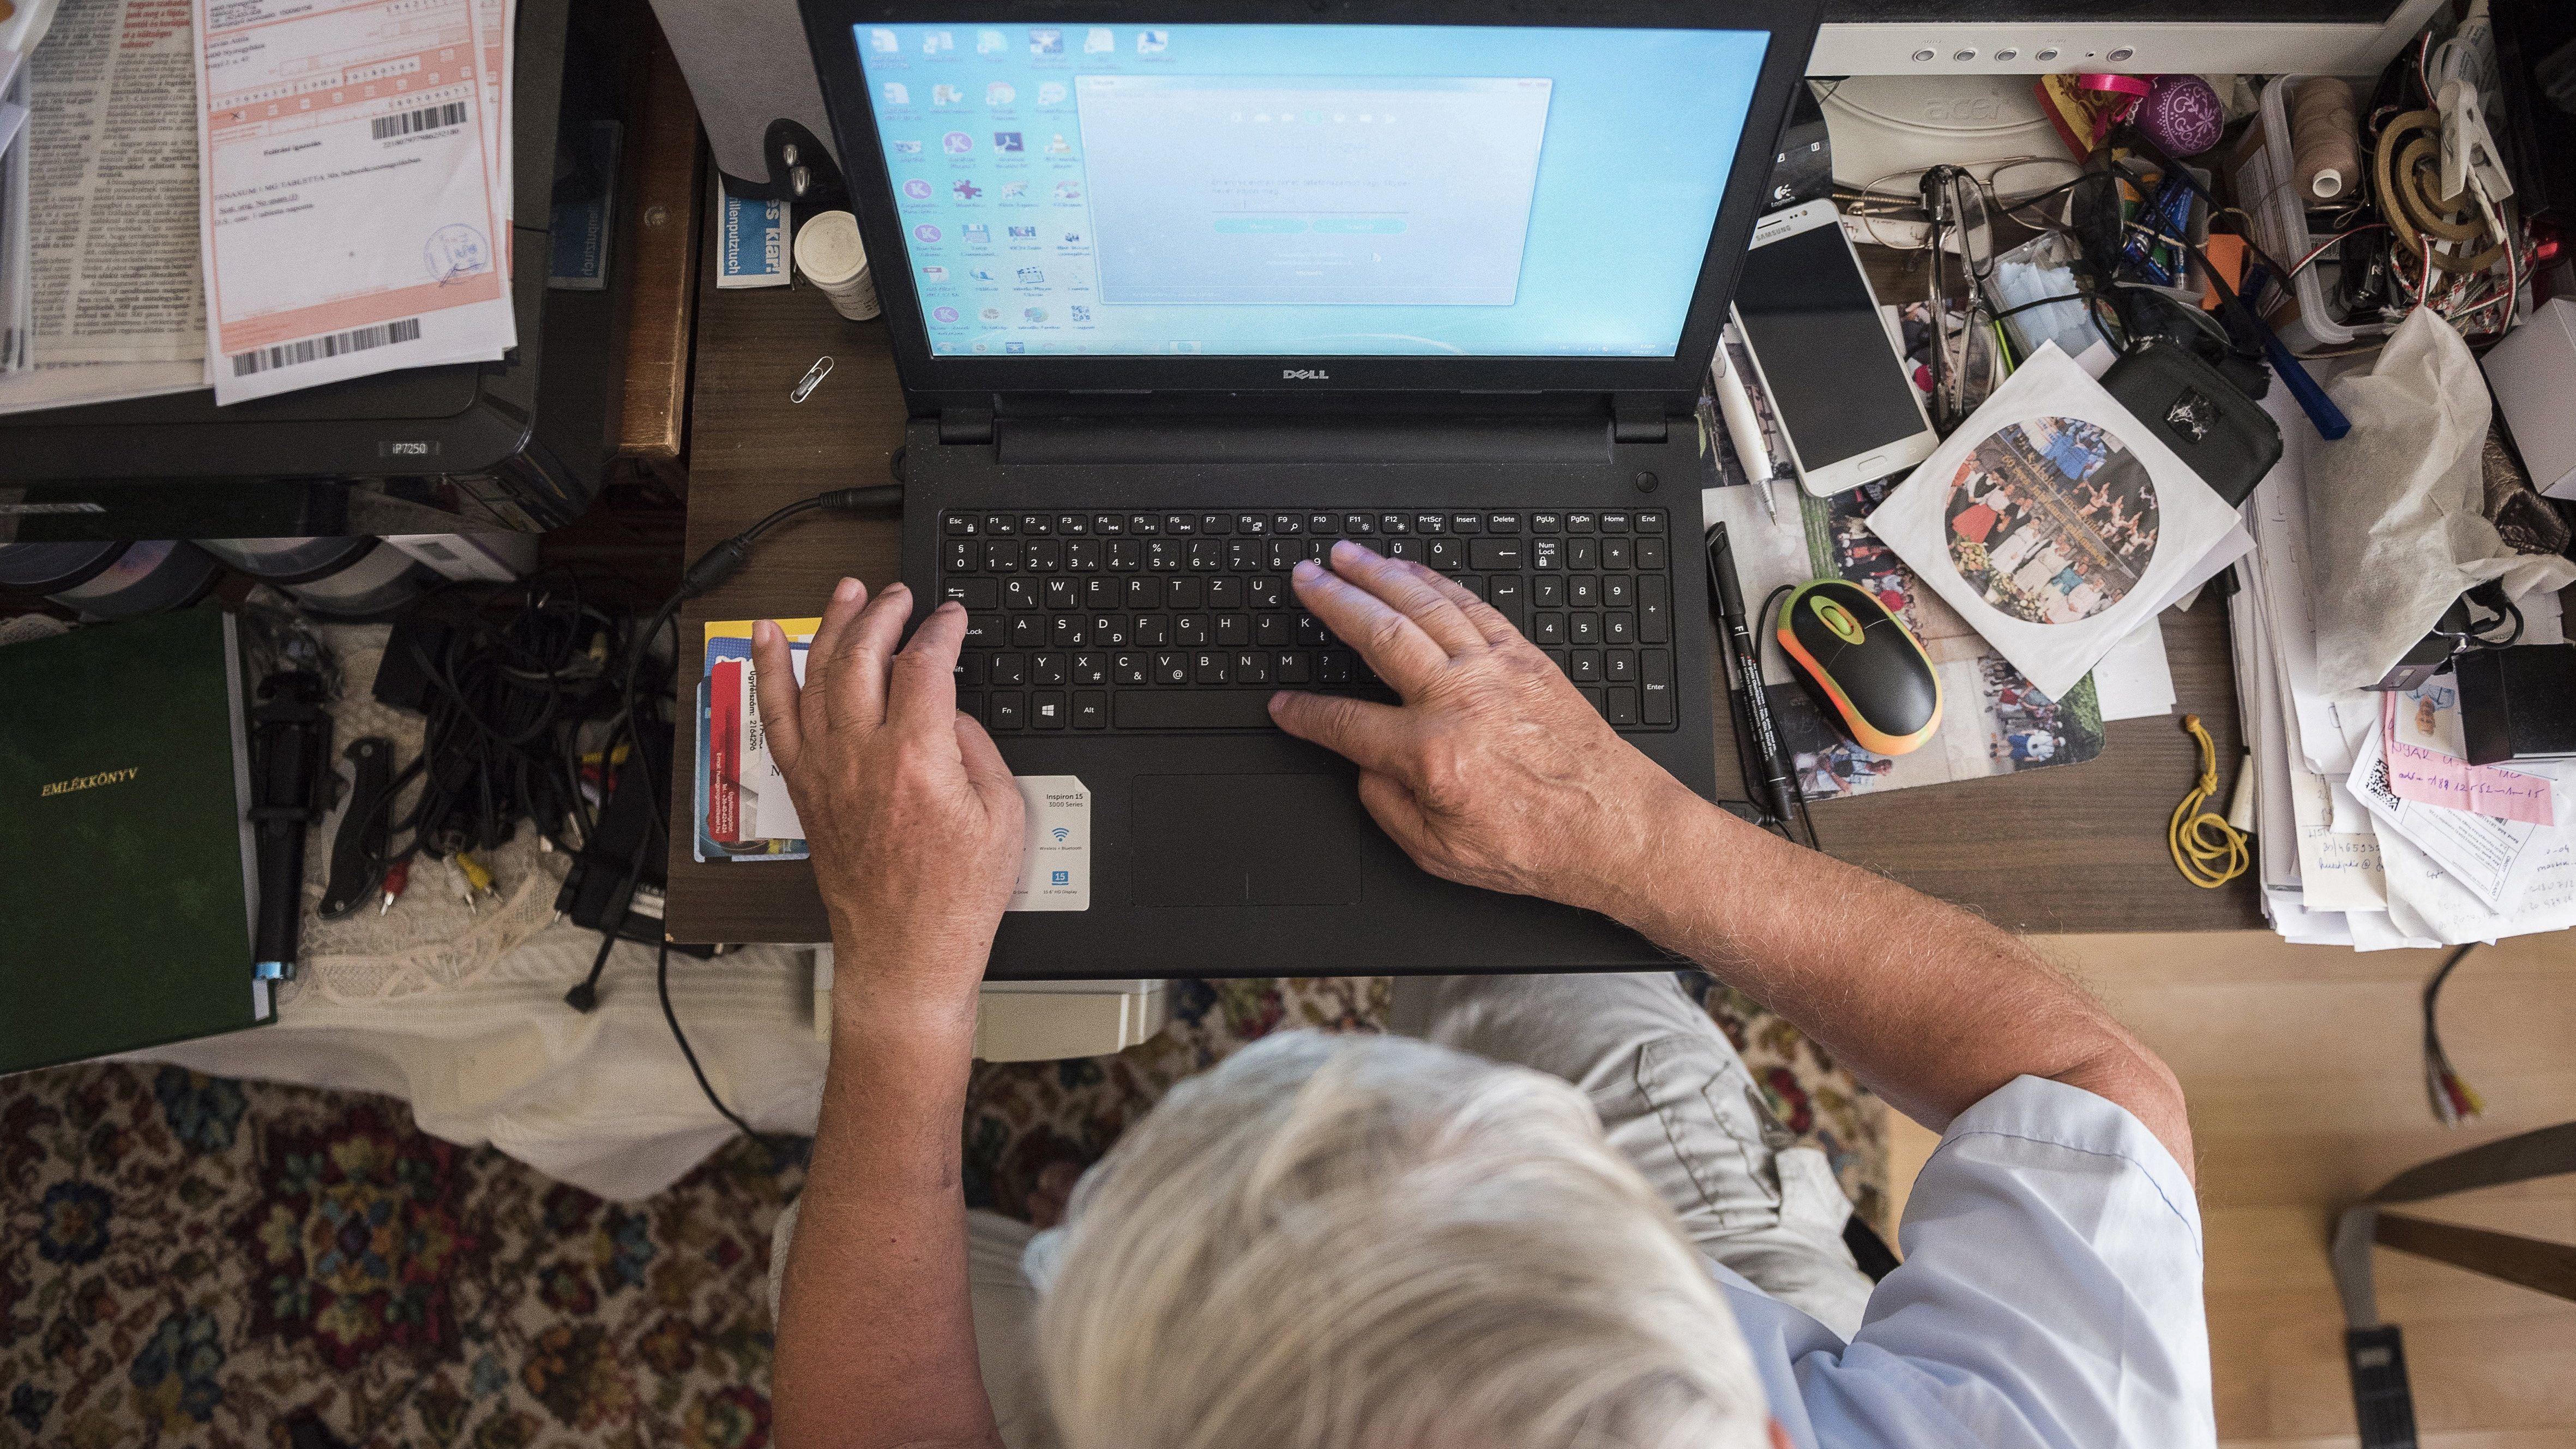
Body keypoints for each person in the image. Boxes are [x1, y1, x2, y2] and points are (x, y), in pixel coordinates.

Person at [755, 542, 2213, 1449]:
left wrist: (901, 989)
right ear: (1767, 1428)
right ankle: (1108, 1241)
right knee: (1517, 892)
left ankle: (1078, 1251)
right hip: (1713, 1278)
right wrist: (1626, 831)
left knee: (806, 1265)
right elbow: (2091, 1095)